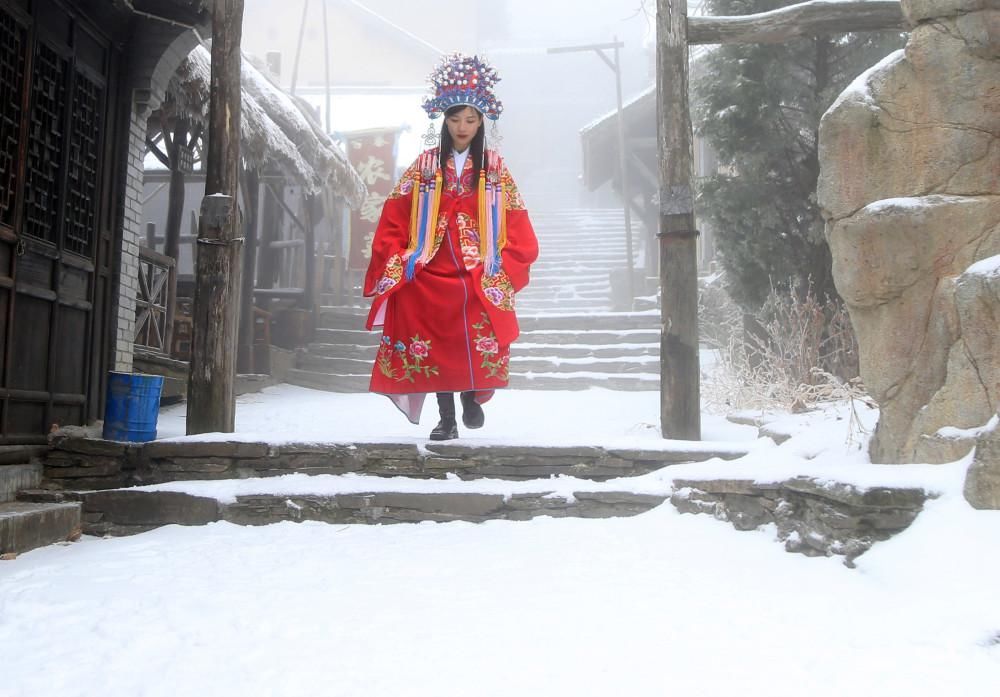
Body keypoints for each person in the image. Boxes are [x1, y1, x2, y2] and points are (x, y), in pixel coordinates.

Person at [363, 53, 538, 440]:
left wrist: (503, 264)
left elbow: (516, 219)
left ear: (482, 123)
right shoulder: (424, 166)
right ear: (444, 119)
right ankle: (446, 417)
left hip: (479, 265)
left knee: (476, 328)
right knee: (434, 337)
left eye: (471, 120)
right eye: (456, 119)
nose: (463, 127)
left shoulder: (494, 169)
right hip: (432, 262)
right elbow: (394, 214)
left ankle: (472, 398)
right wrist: (399, 257)